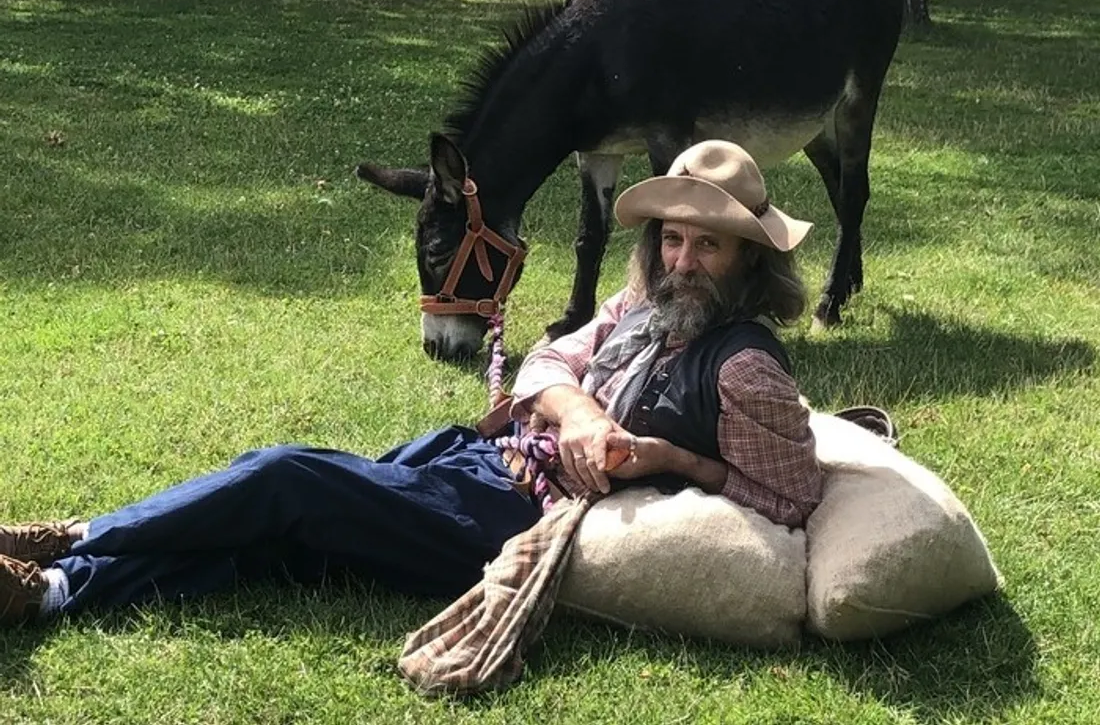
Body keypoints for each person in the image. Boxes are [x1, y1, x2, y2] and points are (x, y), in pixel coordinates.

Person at [0, 140, 822, 628]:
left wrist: (673, 459)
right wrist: (572, 408)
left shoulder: (743, 367)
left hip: (511, 516)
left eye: (706, 246)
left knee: (284, 474)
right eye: (673, 239)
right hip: (483, 458)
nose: (681, 261)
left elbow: (789, 500)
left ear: (751, 257)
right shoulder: (643, 301)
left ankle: (76, 539)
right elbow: (546, 363)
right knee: (284, 539)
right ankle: (55, 593)